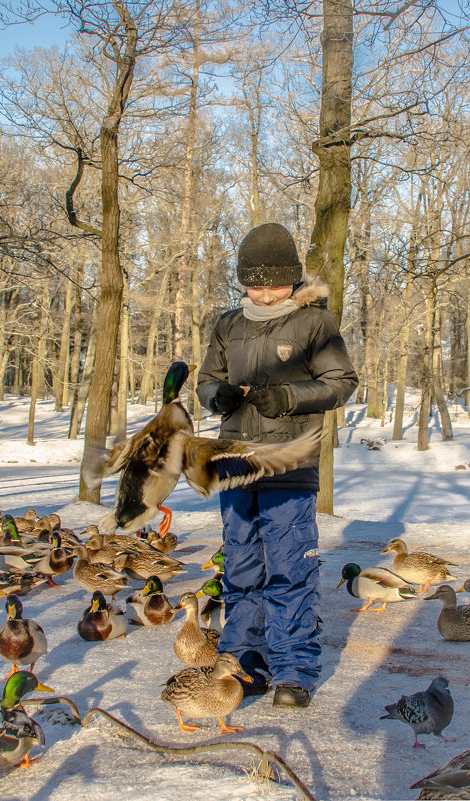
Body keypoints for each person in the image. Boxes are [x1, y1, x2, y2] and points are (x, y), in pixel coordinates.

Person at [196, 222, 358, 709]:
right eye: (255, 284)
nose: (265, 295)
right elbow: (206, 381)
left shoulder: (315, 324)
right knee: (241, 567)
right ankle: (245, 663)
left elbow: (341, 382)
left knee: (289, 568)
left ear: (293, 278)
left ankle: (293, 670)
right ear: (243, 281)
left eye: (275, 284)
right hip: (235, 464)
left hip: (290, 465)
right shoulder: (227, 324)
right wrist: (216, 396)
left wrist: (286, 396)